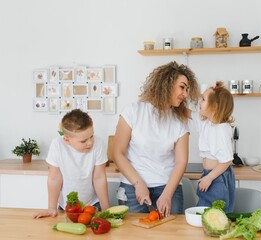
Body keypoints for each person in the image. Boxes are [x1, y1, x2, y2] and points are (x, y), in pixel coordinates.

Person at [112, 61, 199, 216]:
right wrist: (138, 184)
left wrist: (167, 194)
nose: (185, 94)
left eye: (187, 89)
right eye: (182, 87)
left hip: (168, 188)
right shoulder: (133, 111)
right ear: (166, 84)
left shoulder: (180, 121)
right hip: (133, 188)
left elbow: (181, 162)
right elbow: (117, 153)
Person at [33, 109, 110, 218]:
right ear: (67, 140)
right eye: (83, 141)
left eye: (91, 136)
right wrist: (51, 208)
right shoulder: (57, 145)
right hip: (66, 207)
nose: (90, 142)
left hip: (93, 205)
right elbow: (54, 178)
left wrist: (106, 209)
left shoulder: (98, 144)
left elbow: (99, 178)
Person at [192, 81, 235, 213]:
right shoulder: (206, 122)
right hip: (209, 175)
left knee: (215, 213)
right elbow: (187, 113)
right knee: (206, 212)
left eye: (203, 99)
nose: (200, 102)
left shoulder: (221, 129)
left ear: (214, 107)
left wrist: (210, 178)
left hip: (217, 177)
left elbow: (226, 161)